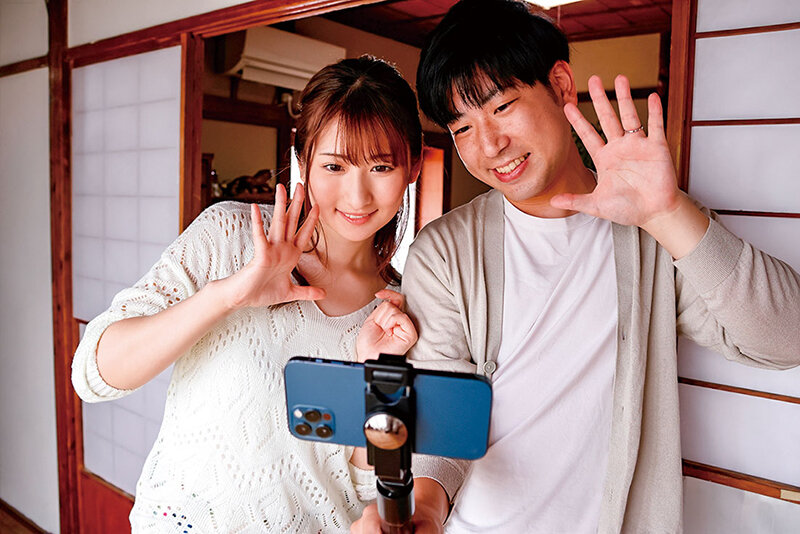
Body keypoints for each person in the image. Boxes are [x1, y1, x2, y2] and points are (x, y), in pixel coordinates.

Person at [351, 0, 800, 532]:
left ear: (561, 85)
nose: (489, 145)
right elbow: (442, 420)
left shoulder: (652, 234)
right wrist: (423, 510)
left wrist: (667, 212)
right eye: (462, 128)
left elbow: (786, 339)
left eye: (502, 106)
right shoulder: (444, 251)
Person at [72, 56, 424, 533]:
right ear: (303, 161)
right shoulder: (230, 235)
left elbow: (367, 493)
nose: (357, 196)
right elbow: (94, 375)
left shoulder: (398, 315)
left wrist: (376, 375)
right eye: (334, 165)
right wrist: (228, 295)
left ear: (413, 166)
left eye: (381, 166)